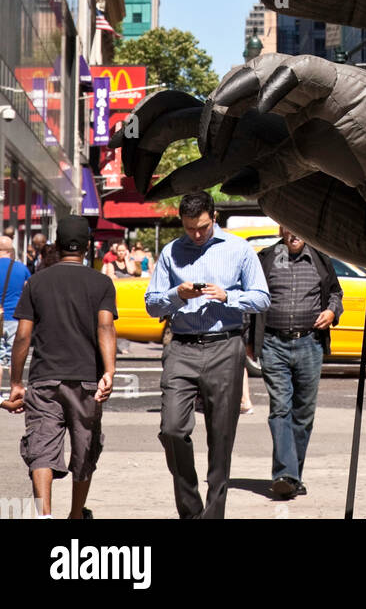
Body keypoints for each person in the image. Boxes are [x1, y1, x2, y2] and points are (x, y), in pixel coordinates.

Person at [145, 191, 270, 519]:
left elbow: (262, 298)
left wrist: (229, 296)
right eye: (190, 229)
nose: (197, 235)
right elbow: (151, 304)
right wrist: (176, 295)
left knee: (221, 436)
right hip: (182, 346)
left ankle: (213, 515)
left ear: (213, 217)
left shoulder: (239, 249)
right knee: (172, 428)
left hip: (225, 346)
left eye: (201, 227)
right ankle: (190, 509)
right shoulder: (172, 252)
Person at [8, 216, 116, 520]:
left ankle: (44, 515)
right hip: (86, 379)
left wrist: (17, 381)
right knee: (85, 447)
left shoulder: (37, 281)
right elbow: (105, 327)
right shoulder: (102, 282)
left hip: (44, 378)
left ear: (56, 245)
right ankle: (76, 514)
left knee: (41, 444)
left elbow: (24, 335)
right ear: (87, 247)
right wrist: (109, 371)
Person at [248, 227, 343, 500]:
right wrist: (248, 339)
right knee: (280, 408)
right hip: (273, 343)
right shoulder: (265, 259)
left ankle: (293, 476)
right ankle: (285, 474)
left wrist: (331, 311)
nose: (293, 234)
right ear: (281, 229)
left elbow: (336, 293)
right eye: (287, 229)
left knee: (303, 413)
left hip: (309, 343)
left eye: (298, 229)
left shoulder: (321, 259)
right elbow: (251, 298)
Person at [0, 236, 30, 396]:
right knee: (14, 356)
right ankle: (15, 389)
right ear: (10, 251)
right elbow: (28, 290)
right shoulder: (21, 268)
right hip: (14, 316)